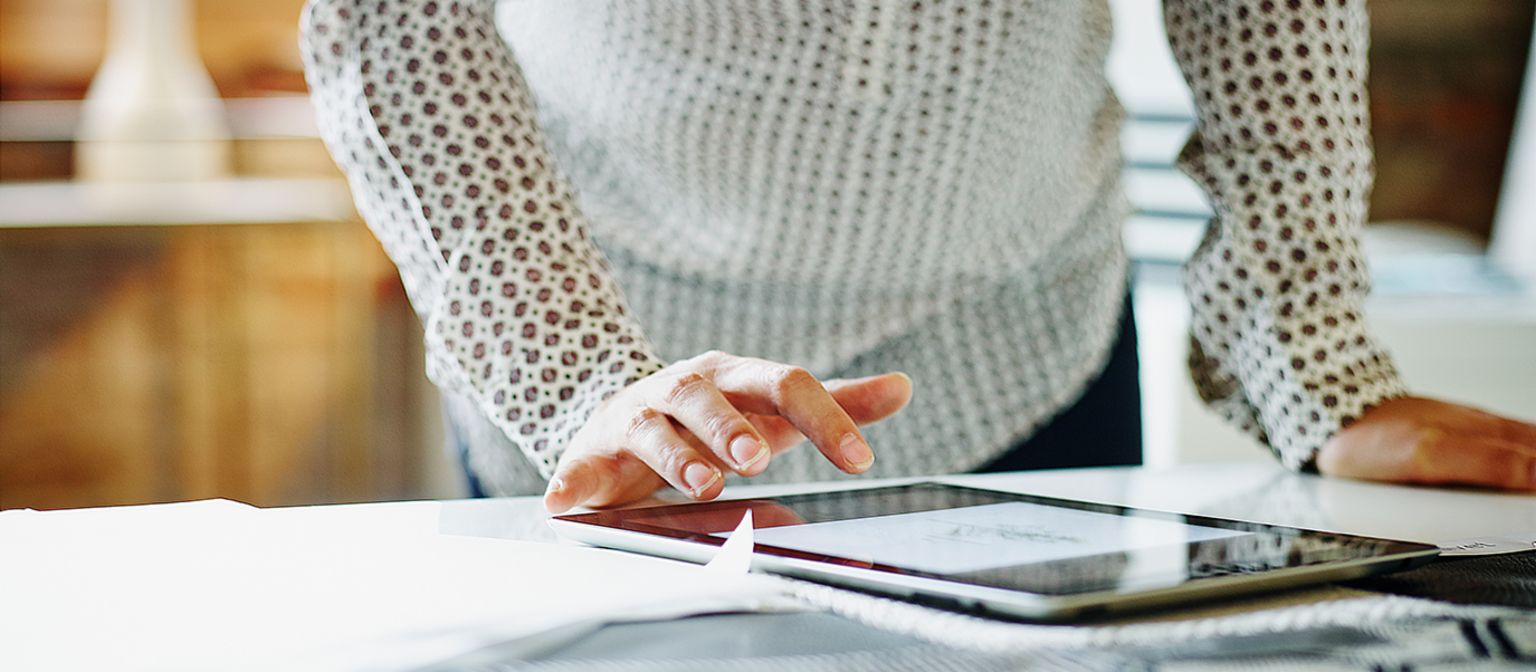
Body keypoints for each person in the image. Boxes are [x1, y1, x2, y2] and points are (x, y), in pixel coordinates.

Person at [301, 0, 1536, 511]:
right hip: (615, 375)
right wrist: (574, 376)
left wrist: (1313, 359)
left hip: (1018, 352)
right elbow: (391, 18)